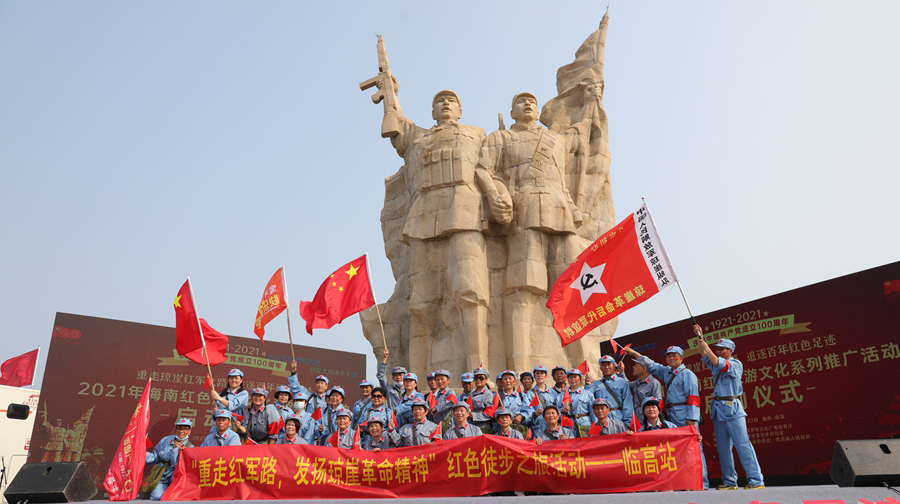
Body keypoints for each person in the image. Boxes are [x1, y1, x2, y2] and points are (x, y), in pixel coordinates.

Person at [380, 86, 510, 374]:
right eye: (440, 101)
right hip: (422, 216)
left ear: (460, 110)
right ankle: (417, 382)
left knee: (470, 292)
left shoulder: (476, 133)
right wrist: (390, 91)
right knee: (420, 303)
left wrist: (498, 196)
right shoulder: (419, 138)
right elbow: (398, 125)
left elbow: (489, 169)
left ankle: (479, 373)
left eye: (451, 100)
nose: (446, 104)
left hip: (465, 212)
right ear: (432, 111)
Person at [476, 92, 594, 369]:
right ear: (512, 112)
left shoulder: (556, 139)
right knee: (522, 289)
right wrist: (495, 194)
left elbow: (584, 132)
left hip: (560, 212)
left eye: (532, 101)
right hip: (524, 211)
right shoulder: (501, 137)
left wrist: (591, 101)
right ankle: (520, 369)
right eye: (521, 101)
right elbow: (483, 169)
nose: (528, 104)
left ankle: (583, 366)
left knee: (571, 288)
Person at [622, 342, 708, 488]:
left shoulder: (687, 374)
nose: (671, 358)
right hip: (672, 415)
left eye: (675, 356)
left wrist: (691, 419)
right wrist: (633, 352)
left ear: (681, 358)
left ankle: (701, 482)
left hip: (685, 414)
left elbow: (693, 398)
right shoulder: (667, 372)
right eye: (669, 356)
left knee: (693, 448)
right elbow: (650, 364)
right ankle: (684, 481)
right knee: (676, 450)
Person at [696, 326, 765, 490]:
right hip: (718, 409)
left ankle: (756, 480)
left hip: (732, 408)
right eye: (717, 349)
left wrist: (707, 348)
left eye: (722, 349)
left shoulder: (736, 364)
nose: (719, 351)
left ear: (730, 351)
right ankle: (729, 480)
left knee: (743, 444)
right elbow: (704, 353)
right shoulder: (716, 364)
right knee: (723, 448)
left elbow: (716, 361)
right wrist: (700, 336)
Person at [145, 418, 193, 501]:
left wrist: (176, 449)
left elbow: (176, 464)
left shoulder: (190, 448)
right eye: (179, 428)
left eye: (185, 429)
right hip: (162, 474)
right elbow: (155, 457)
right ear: (176, 429)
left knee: (173, 498)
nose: (181, 431)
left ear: (189, 430)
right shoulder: (165, 440)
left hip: (177, 478)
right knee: (157, 497)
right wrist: (142, 455)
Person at [618, 357, 662, 426]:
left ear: (644, 369)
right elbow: (626, 385)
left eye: (636, 365)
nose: (633, 367)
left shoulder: (654, 383)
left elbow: (659, 404)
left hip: (649, 420)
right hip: (637, 420)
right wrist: (621, 372)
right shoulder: (636, 383)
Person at [590, 356, 633, 425]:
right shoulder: (595, 385)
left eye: (609, 364)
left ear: (614, 366)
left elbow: (628, 404)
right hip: (601, 420)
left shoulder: (622, 382)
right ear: (601, 368)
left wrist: (627, 423)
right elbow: (590, 404)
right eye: (604, 365)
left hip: (619, 419)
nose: (606, 367)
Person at [557, 368, 593, 436]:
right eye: (570, 377)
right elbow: (555, 412)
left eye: (575, 377)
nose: (573, 379)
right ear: (567, 379)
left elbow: (593, 412)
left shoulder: (588, 394)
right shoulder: (560, 396)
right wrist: (562, 410)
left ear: (580, 378)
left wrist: (595, 428)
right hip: (567, 427)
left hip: (584, 425)